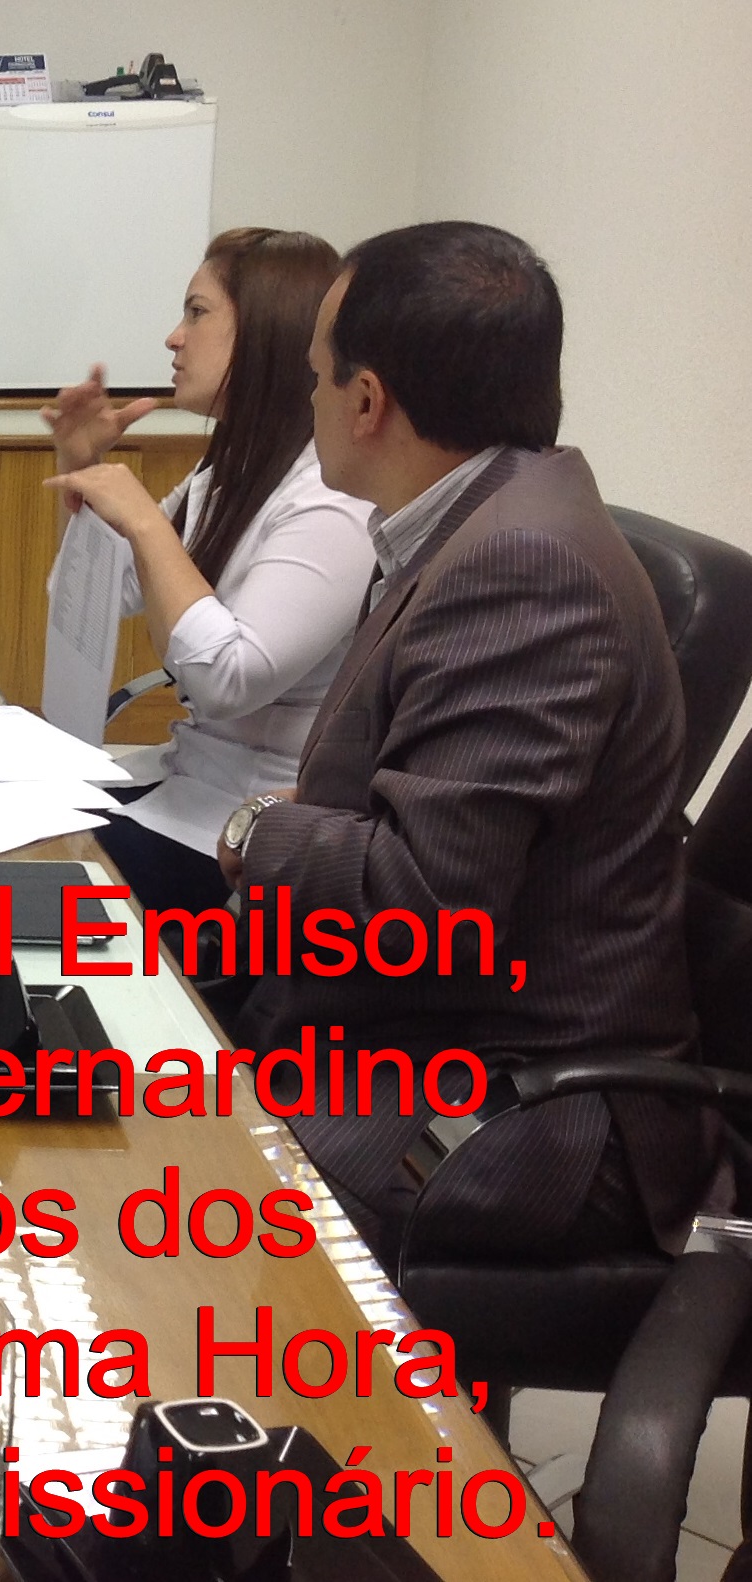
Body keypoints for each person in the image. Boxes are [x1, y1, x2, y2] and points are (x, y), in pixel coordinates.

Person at [220, 221, 712, 1267]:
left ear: (366, 400)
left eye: (315, 376)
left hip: (518, 1103)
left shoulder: (522, 564)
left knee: (165, 1181)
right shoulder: (478, 520)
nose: (310, 400)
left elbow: (423, 899)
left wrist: (255, 828)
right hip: (415, 1030)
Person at [41, 229, 373, 915]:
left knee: (27, 878)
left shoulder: (330, 496)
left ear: (267, 333)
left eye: (197, 313)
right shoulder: (231, 469)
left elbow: (229, 679)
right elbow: (100, 597)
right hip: (182, 786)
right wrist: (83, 470)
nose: (174, 338)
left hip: (243, 834)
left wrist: (145, 522)